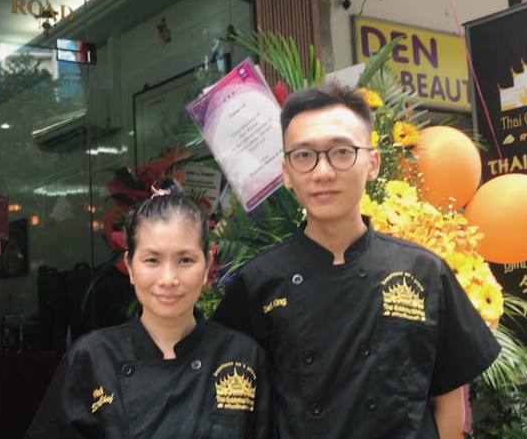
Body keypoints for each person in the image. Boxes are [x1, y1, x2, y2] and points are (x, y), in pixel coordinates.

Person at [212, 82, 501, 439]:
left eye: (341, 152)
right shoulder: (257, 283)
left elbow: (449, 402)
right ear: (286, 172)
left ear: (373, 163)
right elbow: (233, 405)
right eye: (304, 156)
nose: (323, 172)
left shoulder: (423, 271)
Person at [25, 180, 274, 439]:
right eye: (152, 260)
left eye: (185, 260)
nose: (168, 279)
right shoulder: (92, 360)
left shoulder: (244, 357)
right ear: (130, 267)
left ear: (207, 265)